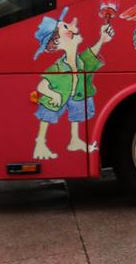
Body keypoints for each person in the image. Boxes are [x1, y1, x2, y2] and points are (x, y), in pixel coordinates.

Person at [30, 8, 114, 160]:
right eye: (66, 27)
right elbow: (41, 86)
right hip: (59, 98)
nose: (73, 26)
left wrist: (102, 39)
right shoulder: (58, 68)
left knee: (79, 104)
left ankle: (74, 140)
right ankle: (40, 143)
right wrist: (53, 94)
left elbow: (91, 55)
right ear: (60, 39)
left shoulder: (80, 62)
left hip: (75, 95)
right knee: (49, 109)